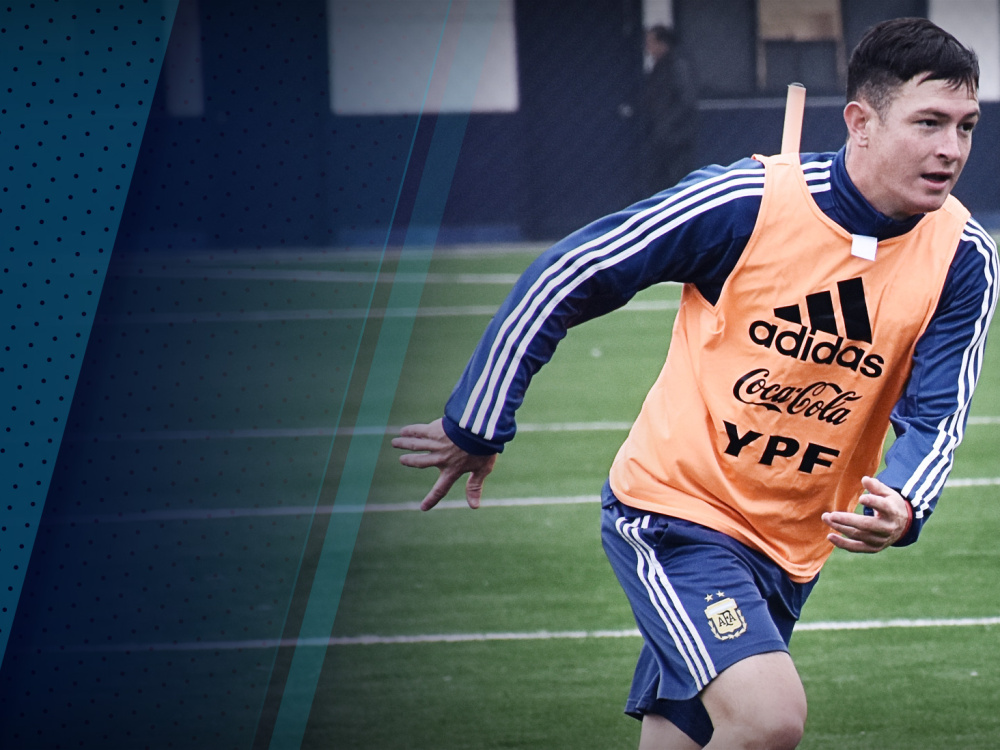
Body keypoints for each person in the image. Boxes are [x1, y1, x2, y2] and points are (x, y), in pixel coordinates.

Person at [392, 17, 996, 749]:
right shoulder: (746, 201)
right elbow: (571, 272)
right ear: (860, 123)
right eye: (928, 123)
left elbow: (937, 413)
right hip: (675, 514)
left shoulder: (962, 255)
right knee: (770, 719)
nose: (951, 148)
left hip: (790, 546)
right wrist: (477, 422)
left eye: (966, 126)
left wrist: (902, 499)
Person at [637, 25, 699, 199]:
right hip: (663, 136)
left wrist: (667, 125)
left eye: (650, 42)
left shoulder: (677, 65)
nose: (647, 48)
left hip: (676, 137)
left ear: (662, 43)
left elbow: (687, 100)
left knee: (676, 182)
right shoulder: (659, 66)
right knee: (659, 182)